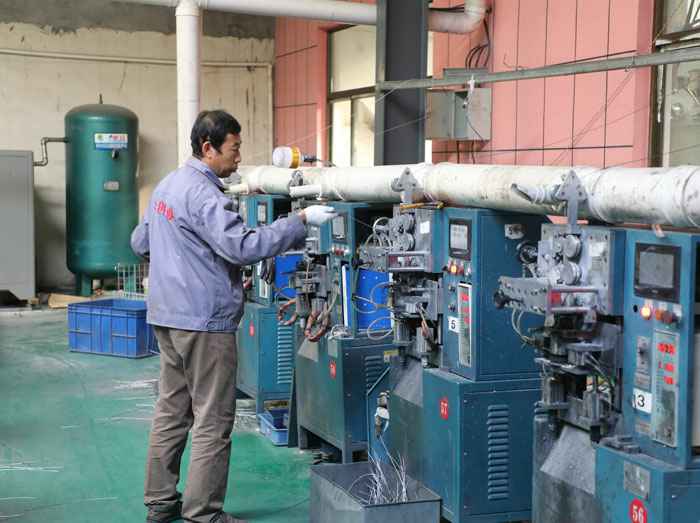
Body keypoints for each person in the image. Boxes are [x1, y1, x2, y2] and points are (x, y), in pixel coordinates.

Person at [131, 109, 336, 523]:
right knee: (213, 419)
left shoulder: (168, 186)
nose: (239, 157)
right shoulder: (205, 195)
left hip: (167, 316)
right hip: (203, 322)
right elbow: (243, 247)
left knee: (172, 410)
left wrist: (189, 260)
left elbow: (141, 242)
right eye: (234, 148)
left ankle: (160, 502)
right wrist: (297, 222)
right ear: (208, 148)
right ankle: (203, 513)